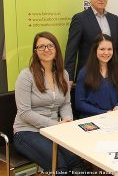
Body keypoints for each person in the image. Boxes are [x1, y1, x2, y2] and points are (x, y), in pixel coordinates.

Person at [13, 32, 85, 174]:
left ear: (56, 49)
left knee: (77, 161)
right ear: (35, 52)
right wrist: (55, 125)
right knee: (60, 166)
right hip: (27, 131)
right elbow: (24, 113)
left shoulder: (63, 74)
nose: (46, 49)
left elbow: (65, 103)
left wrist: (67, 121)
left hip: (54, 130)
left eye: (50, 45)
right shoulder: (26, 76)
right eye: (41, 47)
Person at [65, 0, 118, 82]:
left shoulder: (114, 19)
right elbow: (71, 50)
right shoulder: (80, 19)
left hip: (111, 74)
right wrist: (69, 78)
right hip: (88, 74)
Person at [75, 34, 118, 118]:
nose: (106, 53)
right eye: (102, 49)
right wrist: (104, 112)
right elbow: (80, 103)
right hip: (91, 119)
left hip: (114, 117)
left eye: (109, 49)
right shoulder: (84, 72)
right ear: (95, 50)